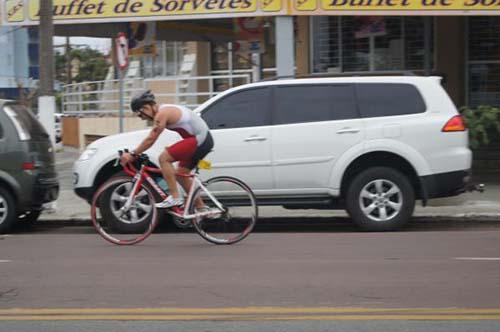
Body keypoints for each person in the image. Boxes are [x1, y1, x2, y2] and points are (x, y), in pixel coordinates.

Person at [120, 90, 214, 209]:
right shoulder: (163, 111)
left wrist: (132, 154)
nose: (141, 118)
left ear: (145, 107)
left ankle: (175, 197)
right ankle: (201, 208)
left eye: (140, 114)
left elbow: (151, 139)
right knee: (180, 174)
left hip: (201, 140)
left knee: (164, 158)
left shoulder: (162, 114)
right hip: (201, 140)